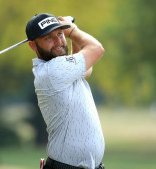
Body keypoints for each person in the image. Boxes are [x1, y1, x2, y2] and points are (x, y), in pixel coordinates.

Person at [26, 13, 105, 169]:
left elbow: (85, 70)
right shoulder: (52, 71)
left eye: (60, 34)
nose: (58, 41)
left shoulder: (61, 69)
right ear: (33, 45)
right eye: (48, 38)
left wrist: (70, 34)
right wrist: (72, 30)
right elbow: (96, 49)